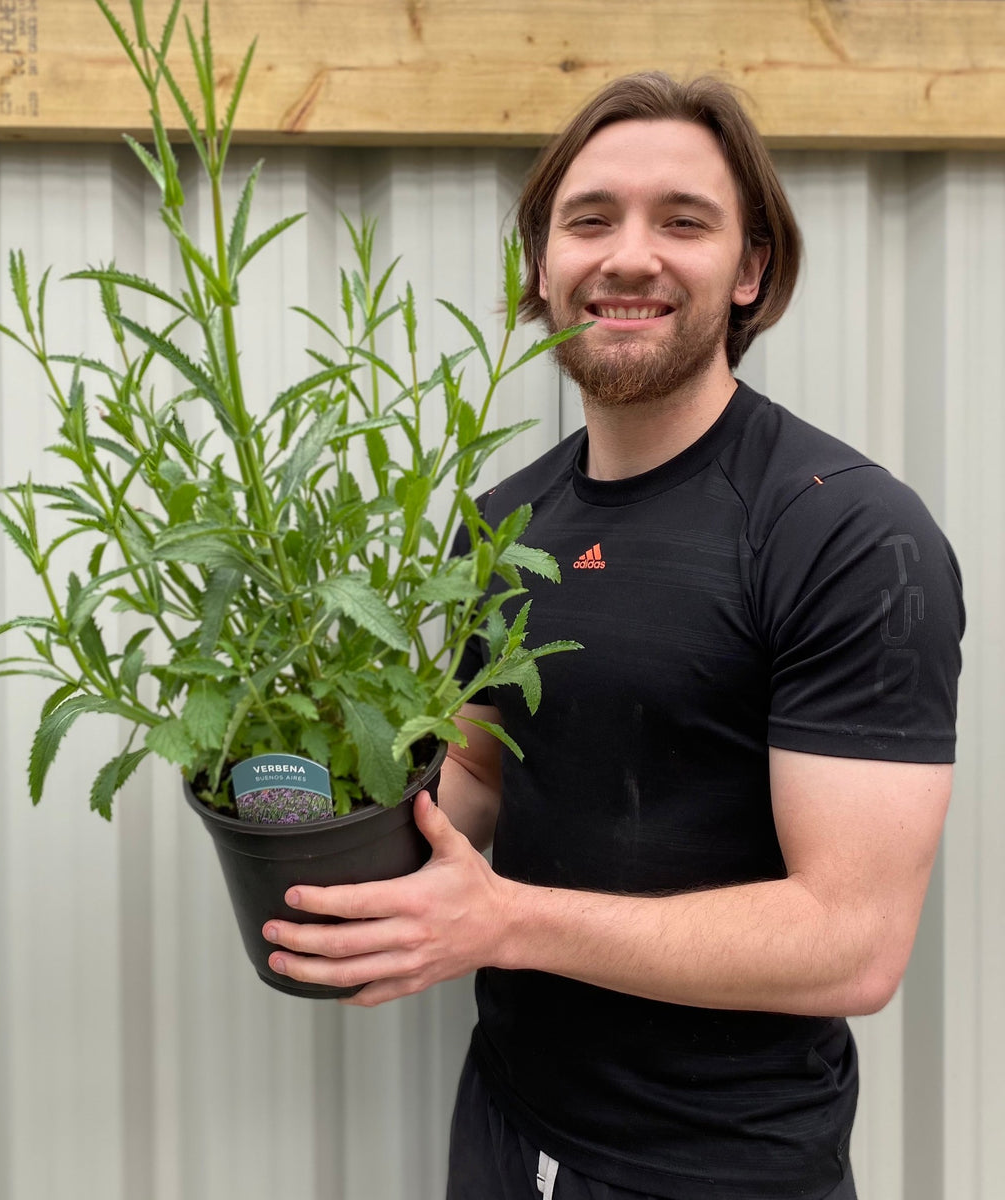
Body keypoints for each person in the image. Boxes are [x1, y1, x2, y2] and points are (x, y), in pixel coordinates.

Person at [261, 72, 964, 1200]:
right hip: (505, 1125)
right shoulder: (506, 522)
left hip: (718, 1167)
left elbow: (855, 942)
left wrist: (499, 923)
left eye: (683, 220)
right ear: (541, 268)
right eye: (590, 219)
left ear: (751, 270)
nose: (628, 256)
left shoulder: (843, 530)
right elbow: (483, 767)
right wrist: (312, 792)